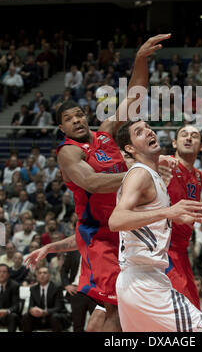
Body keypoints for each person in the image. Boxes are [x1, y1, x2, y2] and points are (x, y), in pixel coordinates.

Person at [26, 34, 174, 332]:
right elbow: (92, 182)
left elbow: (134, 95)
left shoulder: (105, 133)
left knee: (126, 305)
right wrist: (141, 172)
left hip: (125, 230)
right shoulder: (68, 152)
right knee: (117, 304)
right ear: (62, 127)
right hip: (98, 236)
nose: (77, 121)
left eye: (79, 114)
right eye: (69, 119)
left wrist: (140, 59)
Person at [109, 119, 202, 332]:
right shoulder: (141, 174)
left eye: (148, 127)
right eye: (139, 132)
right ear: (130, 148)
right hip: (144, 281)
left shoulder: (154, 175)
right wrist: (169, 212)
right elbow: (116, 221)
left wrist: (174, 218)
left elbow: (146, 219)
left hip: (141, 279)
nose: (148, 132)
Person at [166, 124, 202, 309]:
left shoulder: (198, 176)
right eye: (184, 135)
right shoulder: (164, 165)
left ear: (201, 146)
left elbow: (190, 203)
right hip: (161, 247)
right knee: (183, 310)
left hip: (182, 249)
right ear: (174, 143)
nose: (189, 138)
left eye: (194, 136)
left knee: (194, 306)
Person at [22, 266, 71, 332]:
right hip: (39, 317)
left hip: (54, 317)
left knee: (55, 317)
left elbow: (58, 307)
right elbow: (30, 306)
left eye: (45, 273)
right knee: (26, 316)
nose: (42, 275)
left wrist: (44, 312)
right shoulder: (33, 289)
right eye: (40, 273)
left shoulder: (56, 288)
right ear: (37, 276)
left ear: (49, 275)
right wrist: (33, 310)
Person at [60, 251, 98, 332]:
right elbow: (63, 270)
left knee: (97, 324)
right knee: (77, 325)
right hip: (77, 291)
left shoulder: (99, 250)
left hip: (95, 291)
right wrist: (66, 285)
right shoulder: (74, 252)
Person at [0, 263, 21, 332]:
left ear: (8, 274)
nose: (1, 274)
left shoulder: (14, 286)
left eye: (4, 272)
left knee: (13, 316)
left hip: (8, 315)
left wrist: (7, 311)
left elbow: (16, 305)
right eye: (0, 271)